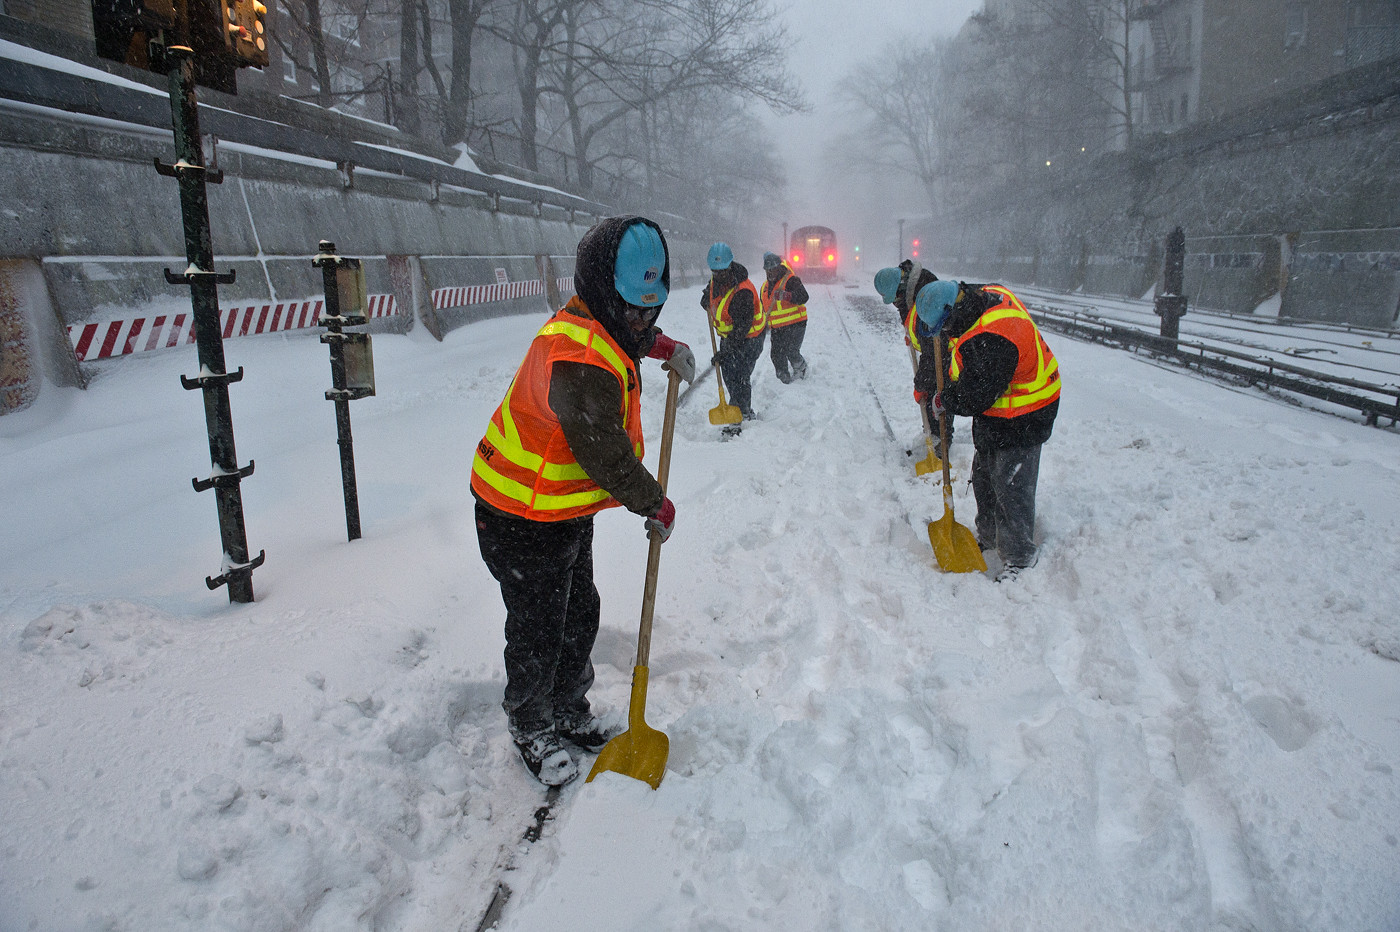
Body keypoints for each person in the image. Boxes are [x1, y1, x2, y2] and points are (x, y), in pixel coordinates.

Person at [470, 216, 697, 785]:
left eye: (653, 309)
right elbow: (603, 450)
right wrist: (653, 502)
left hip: (561, 509)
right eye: (634, 309)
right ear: (603, 291)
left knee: (579, 613)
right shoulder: (576, 357)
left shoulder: (606, 323)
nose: (642, 320)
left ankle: (568, 709)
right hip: (517, 512)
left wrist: (660, 345)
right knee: (539, 626)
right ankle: (531, 724)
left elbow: (623, 334)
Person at [915, 279, 1060, 582]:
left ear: (952, 312)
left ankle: (1019, 556)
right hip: (1001, 405)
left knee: (1011, 482)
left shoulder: (991, 339)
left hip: (1029, 410)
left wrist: (945, 399)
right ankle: (990, 537)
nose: (945, 335)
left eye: (943, 327)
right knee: (984, 473)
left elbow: (975, 394)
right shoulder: (975, 302)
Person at [874, 261, 954, 449]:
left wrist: (920, 384)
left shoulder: (925, 298)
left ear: (901, 289)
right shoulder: (911, 288)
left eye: (895, 299)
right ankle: (934, 435)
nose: (895, 304)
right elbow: (906, 311)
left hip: (945, 355)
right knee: (932, 396)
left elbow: (934, 353)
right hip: (937, 353)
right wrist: (911, 331)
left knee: (938, 396)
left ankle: (942, 442)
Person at [702, 242, 766, 430]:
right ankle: (740, 408)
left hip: (750, 338)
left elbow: (741, 329)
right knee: (729, 374)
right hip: (729, 337)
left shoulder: (743, 291)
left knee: (740, 376)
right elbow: (711, 292)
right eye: (715, 271)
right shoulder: (715, 280)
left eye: (722, 271)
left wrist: (725, 351)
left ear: (731, 266)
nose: (719, 275)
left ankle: (740, 415)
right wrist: (706, 297)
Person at [760, 251, 810, 383]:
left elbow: (804, 296)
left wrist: (787, 296)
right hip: (778, 327)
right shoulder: (764, 287)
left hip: (796, 323)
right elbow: (763, 308)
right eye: (767, 270)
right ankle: (783, 378)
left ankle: (801, 368)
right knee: (776, 354)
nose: (770, 273)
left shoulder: (790, 280)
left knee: (791, 350)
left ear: (779, 268)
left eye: (773, 270)